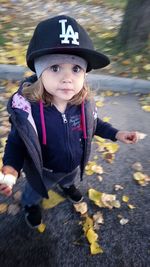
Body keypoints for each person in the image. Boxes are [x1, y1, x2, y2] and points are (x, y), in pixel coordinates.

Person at [0, 15, 138, 229]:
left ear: (84, 74)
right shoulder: (29, 111)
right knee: (34, 192)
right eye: (55, 68)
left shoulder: (82, 103)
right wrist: (10, 168)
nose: (67, 78)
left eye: (75, 69)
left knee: (68, 179)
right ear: (39, 74)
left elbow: (94, 124)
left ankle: (66, 186)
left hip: (72, 165)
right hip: (43, 170)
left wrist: (116, 134)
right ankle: (30, 205)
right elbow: (17, 143)